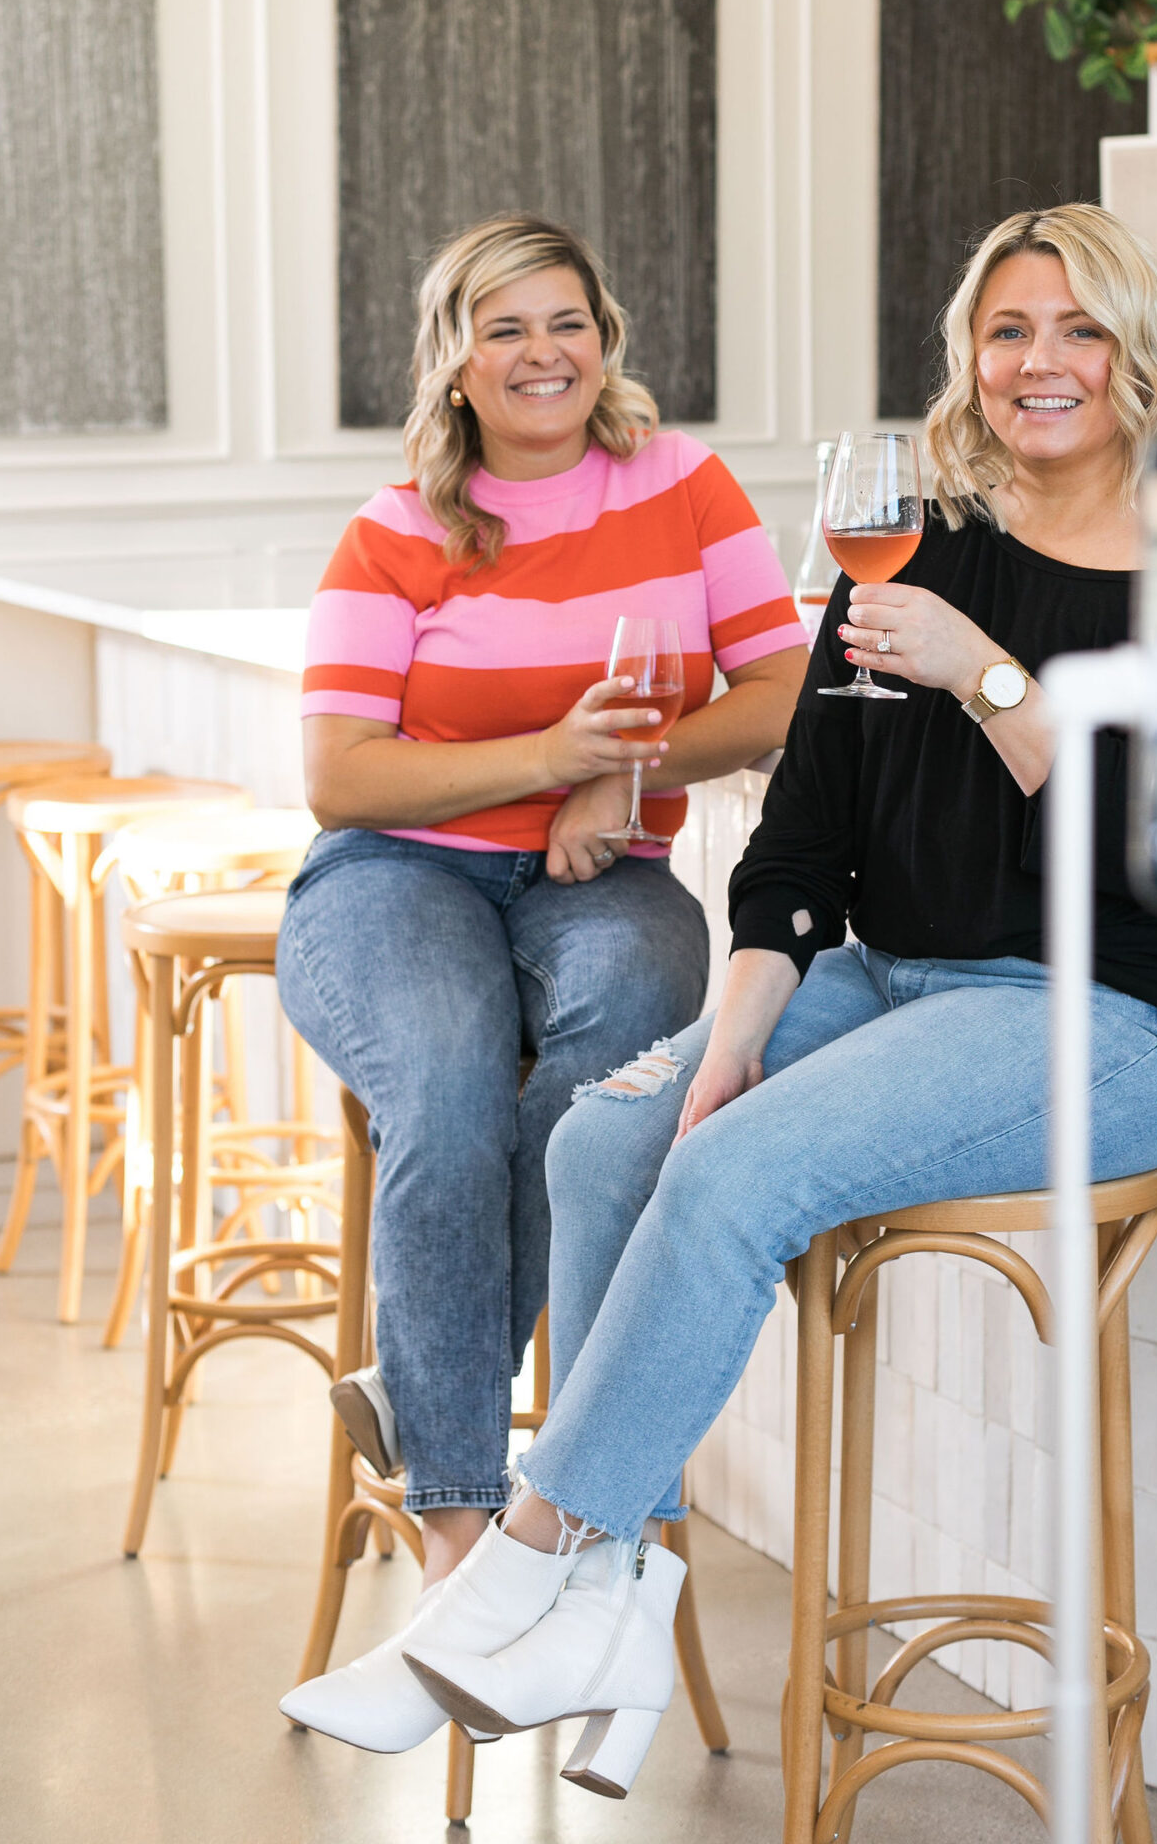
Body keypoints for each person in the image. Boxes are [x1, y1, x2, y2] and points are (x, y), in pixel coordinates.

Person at [286, 202, 1157, 1793]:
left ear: (1137, 345)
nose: (1042, 362)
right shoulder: (917, 537)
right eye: (1008, 330)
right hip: (893, 978)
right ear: (970, 357)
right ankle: (611, 1592)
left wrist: (989, 677)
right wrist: (728, 1038)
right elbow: (804, 843)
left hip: (1118, 1012)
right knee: (612, 1136)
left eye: (1080, 327)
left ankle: (509, 1588)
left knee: (733, 1176)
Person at [278, 214, 807, 1749]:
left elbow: (781, 693)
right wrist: (547, 757)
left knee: (611, 1087)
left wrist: (617, 774)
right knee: (449, 1091)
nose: (542, 354)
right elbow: (339, 775)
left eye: (566, 320)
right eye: (503, 328)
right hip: (396, 875)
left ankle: (449, 1396)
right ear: (454, 362)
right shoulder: (395, 531)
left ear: (606, 336)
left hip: (605, 877)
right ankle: (460, 1537)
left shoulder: (684, 487)